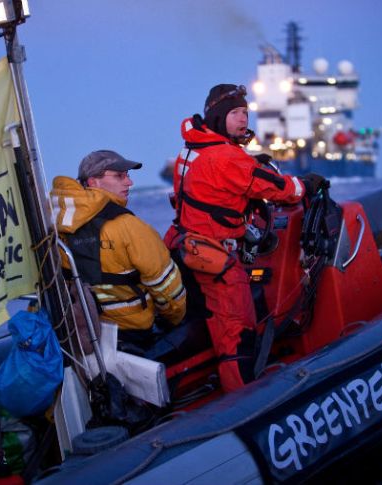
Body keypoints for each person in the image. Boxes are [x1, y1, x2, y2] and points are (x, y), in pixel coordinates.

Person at [164, 84, 326, 393]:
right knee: (237, 331)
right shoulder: (228, 158)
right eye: (236, 113)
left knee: (213, 320)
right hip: (214, 255)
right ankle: (243, 400)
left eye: (246, 113)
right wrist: (305, 185)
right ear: (218, 117)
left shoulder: (191, 148)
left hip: (186, 244)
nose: (243, 120)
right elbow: (278, 188)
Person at [51, 150, 187, 352]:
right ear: (93, 182)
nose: (129, 182)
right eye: (119, 176)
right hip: (134, 333)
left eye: (128, 175)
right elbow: (168, 289)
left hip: (82, 330)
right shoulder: (129, 227)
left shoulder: (55, 225)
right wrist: (176, 319)